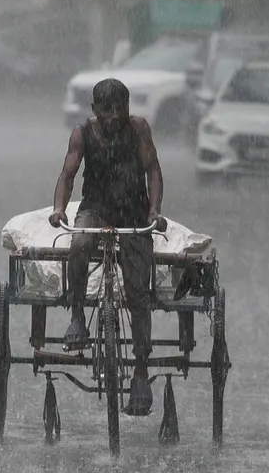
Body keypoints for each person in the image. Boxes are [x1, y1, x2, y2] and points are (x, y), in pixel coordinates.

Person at [48, 78, 165, 416]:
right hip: (95, 208)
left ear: (128, 109)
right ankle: (77, 317)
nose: (114, 116)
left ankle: (140, 371)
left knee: (138, 294)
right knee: (80, 241)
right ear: (95, 110)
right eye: (107, 110)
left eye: (120, 109)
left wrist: (154, 210)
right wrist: (59, 209)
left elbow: (153, 170)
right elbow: (67, 176)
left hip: (133, 211)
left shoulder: (139, 129)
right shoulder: (82, 134)